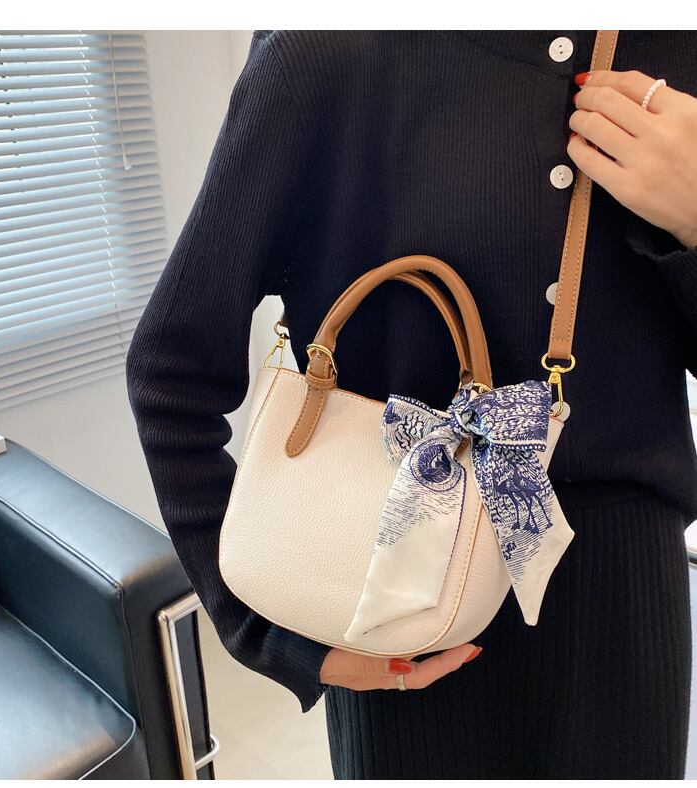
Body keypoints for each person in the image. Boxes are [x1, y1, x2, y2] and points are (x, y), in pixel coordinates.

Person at [125, 30, 697, 779]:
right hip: (388, 575)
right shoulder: (332, 44)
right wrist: (260, 627)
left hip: (624, 601)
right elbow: (170, 369)